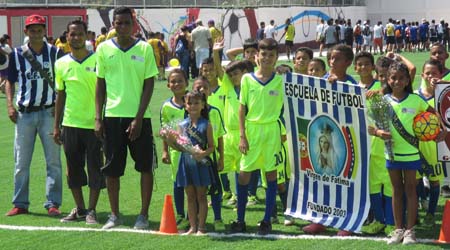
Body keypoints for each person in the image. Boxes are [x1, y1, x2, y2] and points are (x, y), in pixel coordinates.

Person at [95, 6, 158, 230]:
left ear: (134, 24)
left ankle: (143, 215)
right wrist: (98, 117)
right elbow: (100, 84)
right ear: (113, 24)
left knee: (145, 167)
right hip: (112, 117)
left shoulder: (144, 49)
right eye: (118, 23)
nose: (122, 26)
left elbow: (149, 84)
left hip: (140, 117)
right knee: (111, 169)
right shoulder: (102, 49)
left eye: (126, 22)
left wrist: (139, 117)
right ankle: (114, 215)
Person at [375, 62, 446, 245]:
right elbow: (369, 125)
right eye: (393, 78)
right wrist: (377, 132)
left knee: (411, 191)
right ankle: (398, 229)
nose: (397, 81)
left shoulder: (415, 100)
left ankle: (410, 231)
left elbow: (435, 114)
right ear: (388, 79)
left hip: (412, 154)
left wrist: (441, 131)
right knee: (396, 191)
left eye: (401, 78)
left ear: (408, 80)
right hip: (391, 154)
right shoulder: (383, 101)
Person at [5, 14, 63, 217]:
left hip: (49, 112)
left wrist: (60, 108)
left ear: (44, 31)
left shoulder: (56, 53)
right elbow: (9, 81)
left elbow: (63, 82)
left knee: (53, 161)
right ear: (26, 32)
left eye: (39, 29)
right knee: (21, 162)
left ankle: (53, 202)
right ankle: (20, 203)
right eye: (32, 30)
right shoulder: (17, 54)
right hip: (25, 115)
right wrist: (9, 105)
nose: (36, 33)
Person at [230, 38, 283, 235]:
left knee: (271, 175)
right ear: (256, 56)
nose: (267, 58)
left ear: (276, 57)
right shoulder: (247, 79)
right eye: (264, 54)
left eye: (271, 55)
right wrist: (242, 136)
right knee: (244, 175)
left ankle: (267, 220)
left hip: (271, 132)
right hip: (252, 131)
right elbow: (242, 108)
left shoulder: (281, 80)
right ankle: (240, 219)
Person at [53, 20, 105, 224]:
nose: (76, 38)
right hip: (70, 124)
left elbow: (104, 92)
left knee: (95, 168)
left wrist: (100, 118)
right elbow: (61, 95)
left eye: (80, 34)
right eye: (72, 34)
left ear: (86, 36)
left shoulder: (98, 60)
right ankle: (80, 209)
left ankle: (92, 210)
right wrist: (56, 126)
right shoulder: (61, 63)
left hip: (94, 124)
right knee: (73, 169)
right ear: (67, 36)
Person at [355, 52, 395, 236]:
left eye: (366, 64)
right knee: (372, 186)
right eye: (359, 64)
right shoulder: (352, 88)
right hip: (364, 145)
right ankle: (379, 221)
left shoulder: (384, 88)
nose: (363, 67)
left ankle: (391, 223)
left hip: (385, 145)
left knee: (388, 185)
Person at [174, 90, 215, 235]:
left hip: (201, 164)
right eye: (189, 103)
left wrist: (202, 153)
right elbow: (179, 145)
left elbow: (211, 147)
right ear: (185, 106)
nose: (193, 106)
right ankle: (192, 226)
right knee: (190, 196)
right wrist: (170, 138)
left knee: (201, 196)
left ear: (203, 105)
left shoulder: (206, 124)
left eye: (196, 103)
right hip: (186, 163)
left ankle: (202, 227)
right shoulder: (182, 125)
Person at [192, 76, 227, 231]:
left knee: (215, 189)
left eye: (205, 88)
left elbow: (219, 137)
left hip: (211, 159)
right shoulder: (188, 112)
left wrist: (221, 158)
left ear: (210, 90)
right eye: (198, 88)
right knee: (195, 190)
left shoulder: (215, 112)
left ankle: (218, 218)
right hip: (192, 161)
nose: (201, 90)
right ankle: (196, 219)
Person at [415, 59, 445, 228]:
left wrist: (446, 131)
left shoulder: (444, 95)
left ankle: (431, 213)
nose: (431, 76)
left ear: (440, 75)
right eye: (427, 73)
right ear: (422, 75)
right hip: (415, 146)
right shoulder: (414, 95)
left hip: (434, 146)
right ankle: (423, 201)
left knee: (434, 180)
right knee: (417, 179)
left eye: (434, 73)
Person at [160, 69, 190, 230]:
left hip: (194, 151)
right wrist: (165, 151)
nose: (177, 84)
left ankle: (193, 215)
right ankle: (179, 215)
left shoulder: (193, 101)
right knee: (178, 182)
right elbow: (164, 130)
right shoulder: (166, 106)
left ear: (187, 83)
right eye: (173, 81)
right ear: (168, 85)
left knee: (194, 183)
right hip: (176, 151)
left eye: (180, 81)